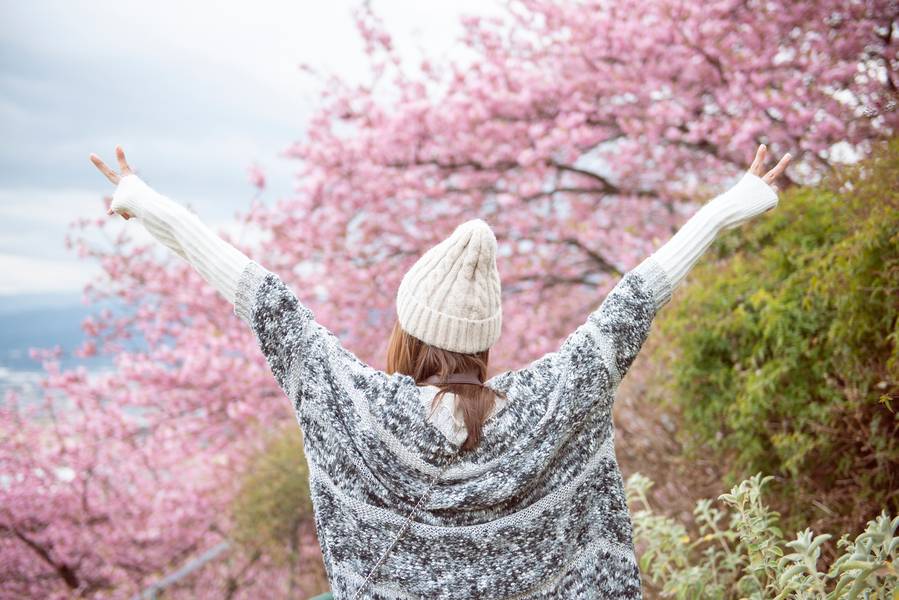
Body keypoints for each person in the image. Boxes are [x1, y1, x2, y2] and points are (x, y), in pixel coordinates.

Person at [89, 143, 790, 599]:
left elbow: (261, 295)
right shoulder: (551, 402)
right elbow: (635, 297)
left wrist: (144, 203)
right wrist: (730, 204)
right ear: (483, 342)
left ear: (407, 330)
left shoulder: (354, 405)